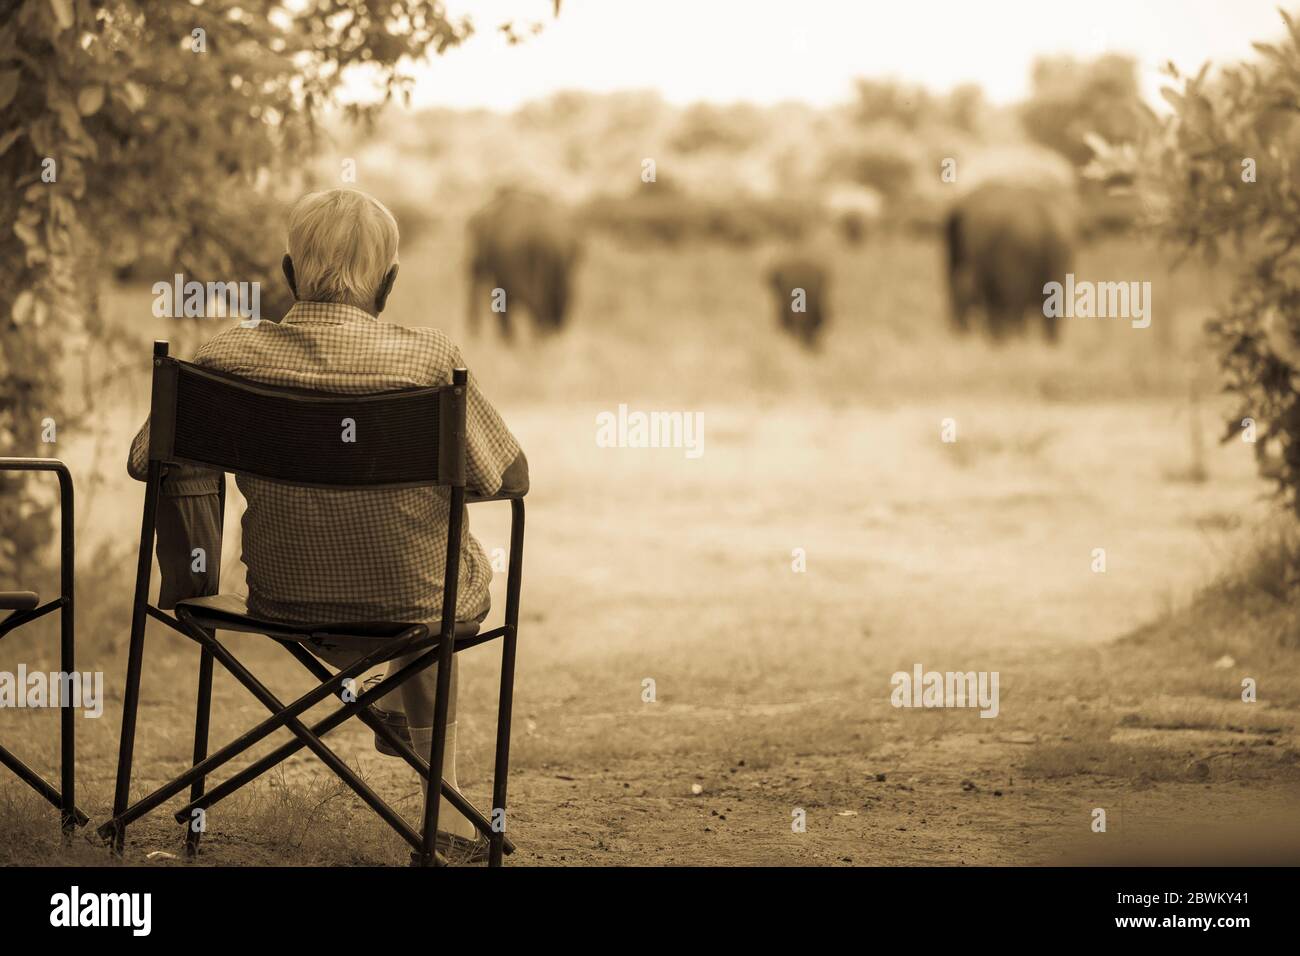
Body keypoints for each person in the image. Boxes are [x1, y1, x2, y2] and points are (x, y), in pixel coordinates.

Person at [128, 188, 528, 861]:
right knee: (433, 566)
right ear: (391, 283)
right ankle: (452, 815)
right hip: (415, 602)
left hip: (280, 599)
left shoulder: (228, 359)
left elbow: (148, 459)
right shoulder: (432, 363)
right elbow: (510, 479)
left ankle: (402, 714)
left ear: (287, 274)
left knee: (416, 563)